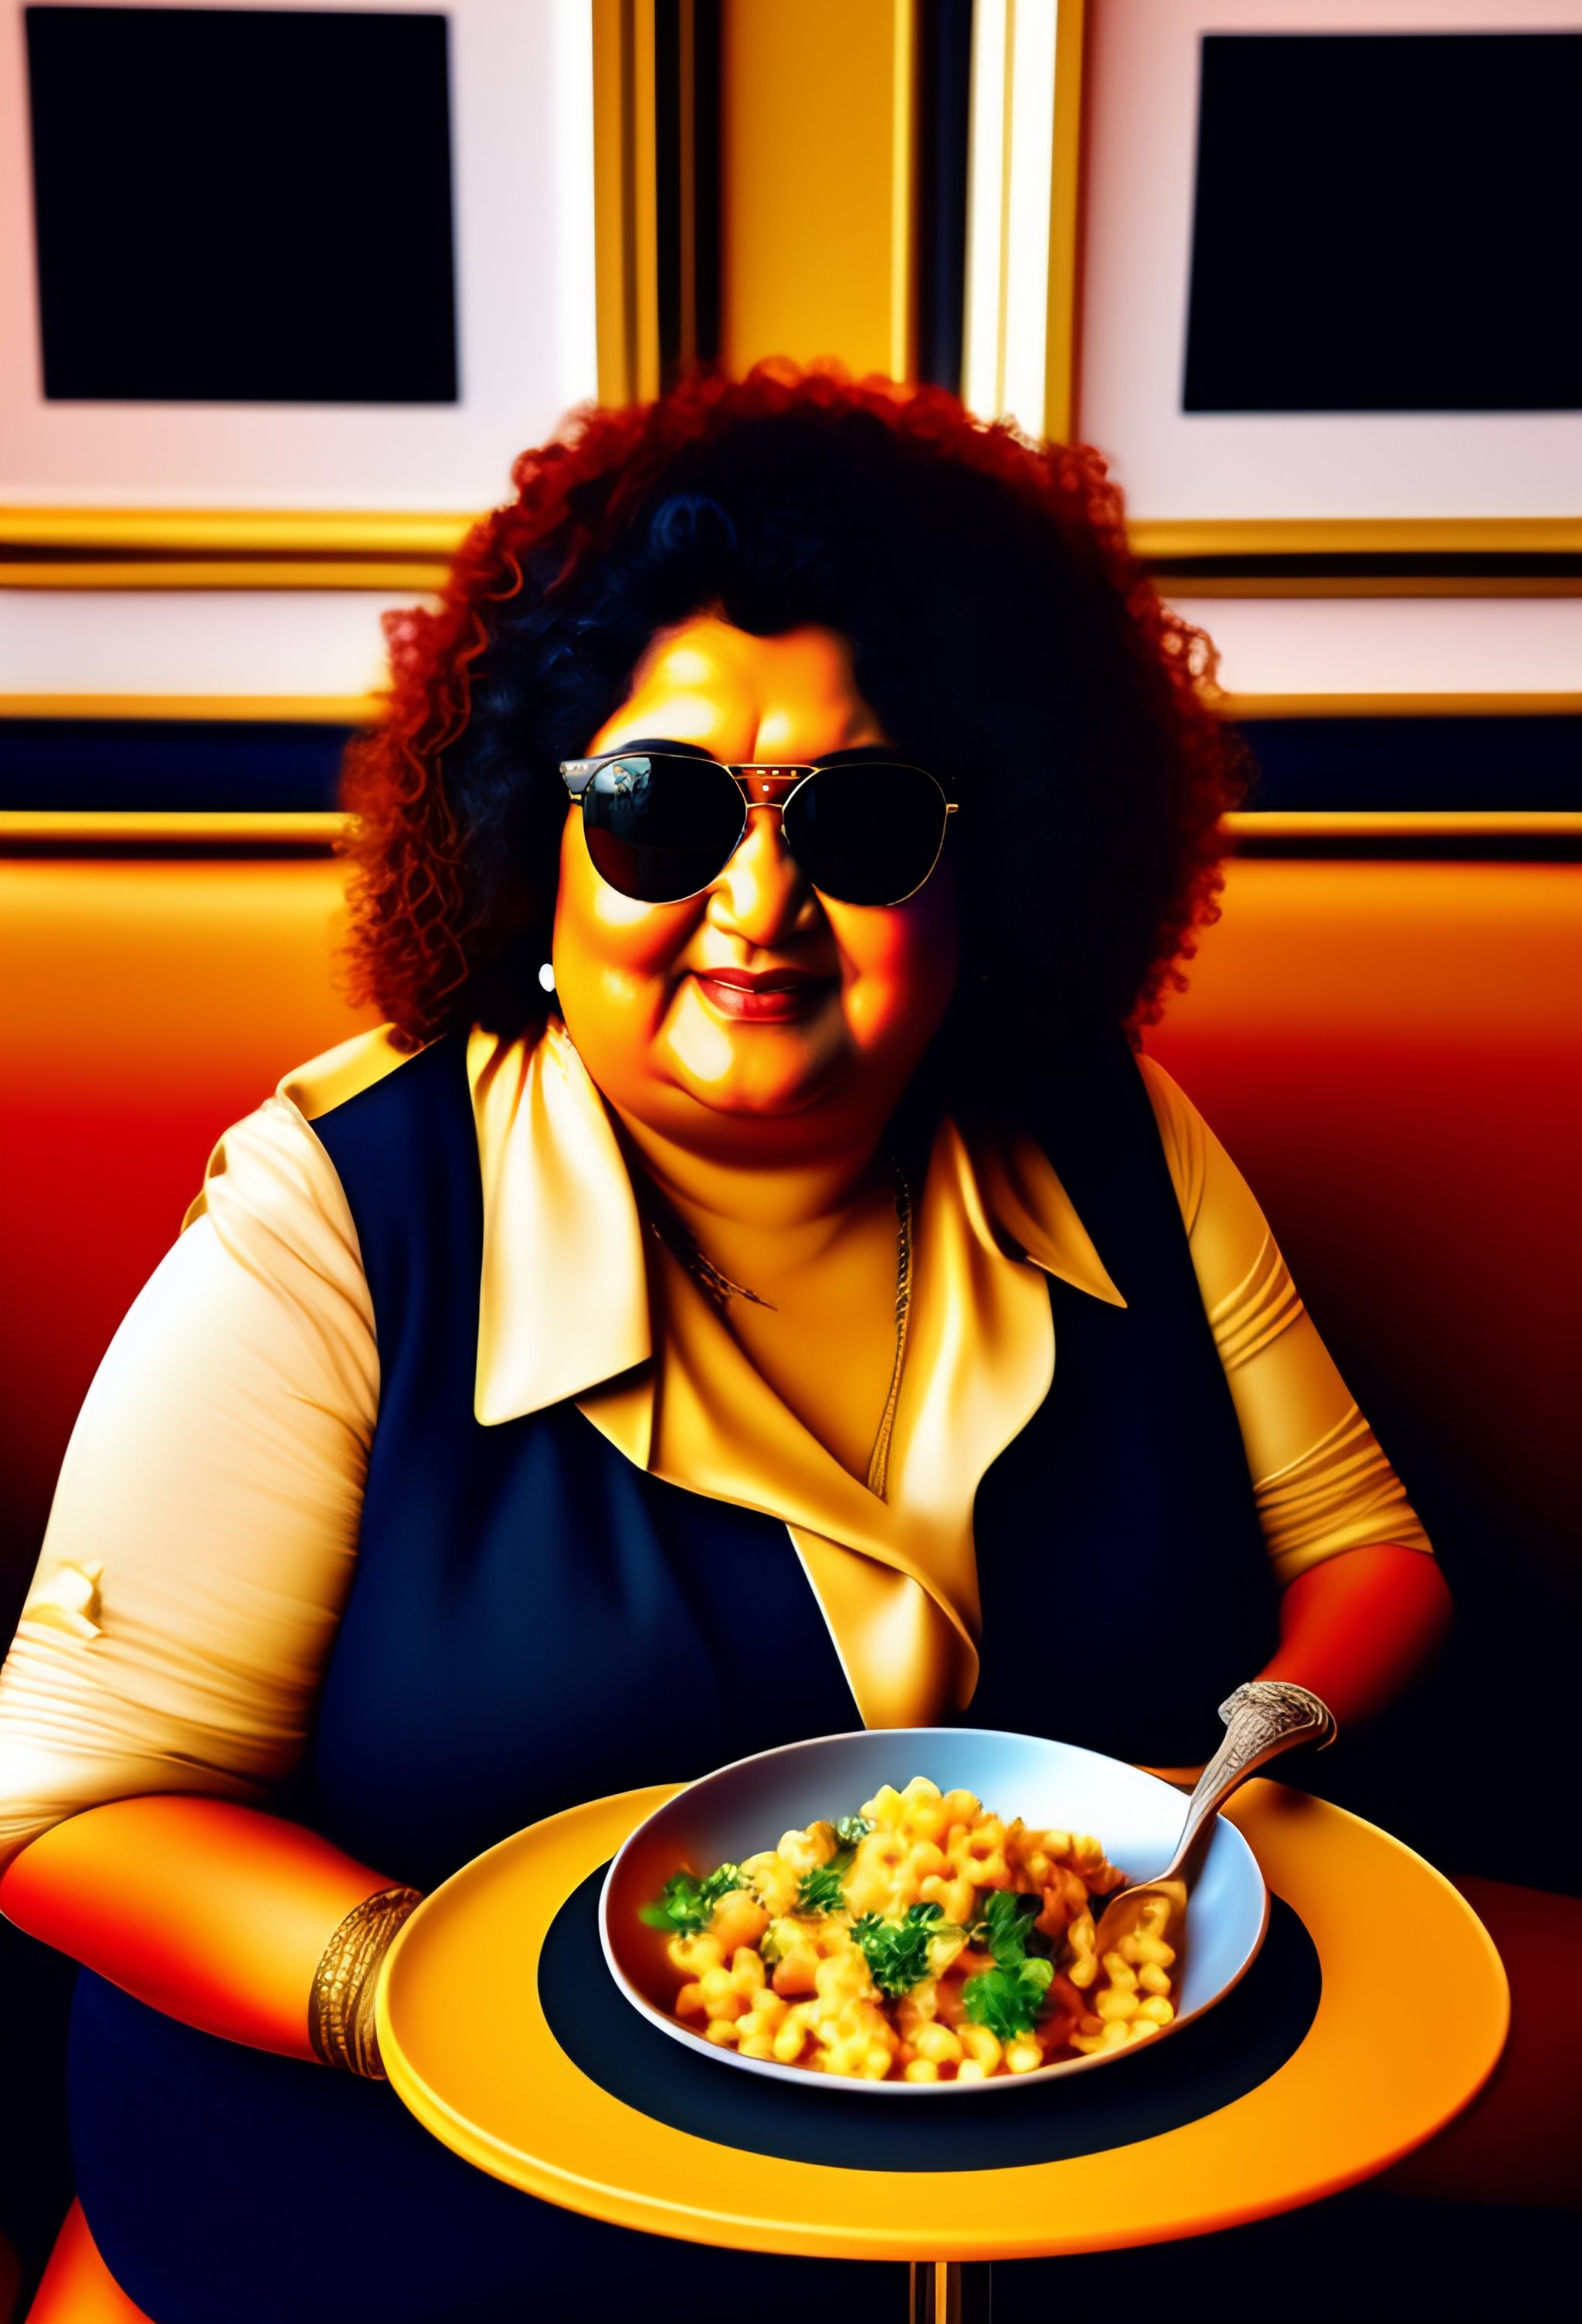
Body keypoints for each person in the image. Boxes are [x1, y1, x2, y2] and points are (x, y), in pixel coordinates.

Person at [0, 367, 1451, 2321]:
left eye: (860, 821)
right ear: (533, 847)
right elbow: (66, 1811)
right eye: (661, 813)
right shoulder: (335, 1217)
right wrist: (439, 2001)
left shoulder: (1121, 1138)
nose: (756, 905)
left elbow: (1362, 1548)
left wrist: (1210, 1802)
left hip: (1077, 2175)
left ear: (984, 875)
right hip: (411, 2200)